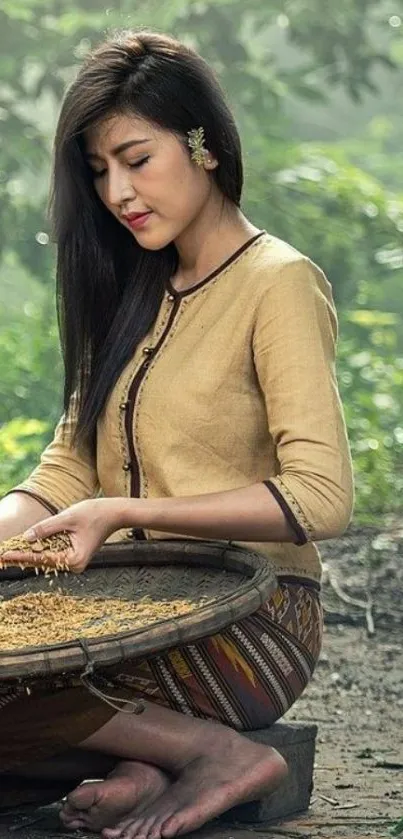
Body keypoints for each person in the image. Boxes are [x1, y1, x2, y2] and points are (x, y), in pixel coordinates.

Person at [0, 28, 354, 839]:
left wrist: (118, 515)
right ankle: (147, 761)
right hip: (119, 610)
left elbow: (322, 495)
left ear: (202, 144)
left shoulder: (279, 283)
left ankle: (217, 753)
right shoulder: (132, 289)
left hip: (250, 617)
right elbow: (65, 469)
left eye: (136, 158)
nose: (118, 191)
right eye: (99, 172)